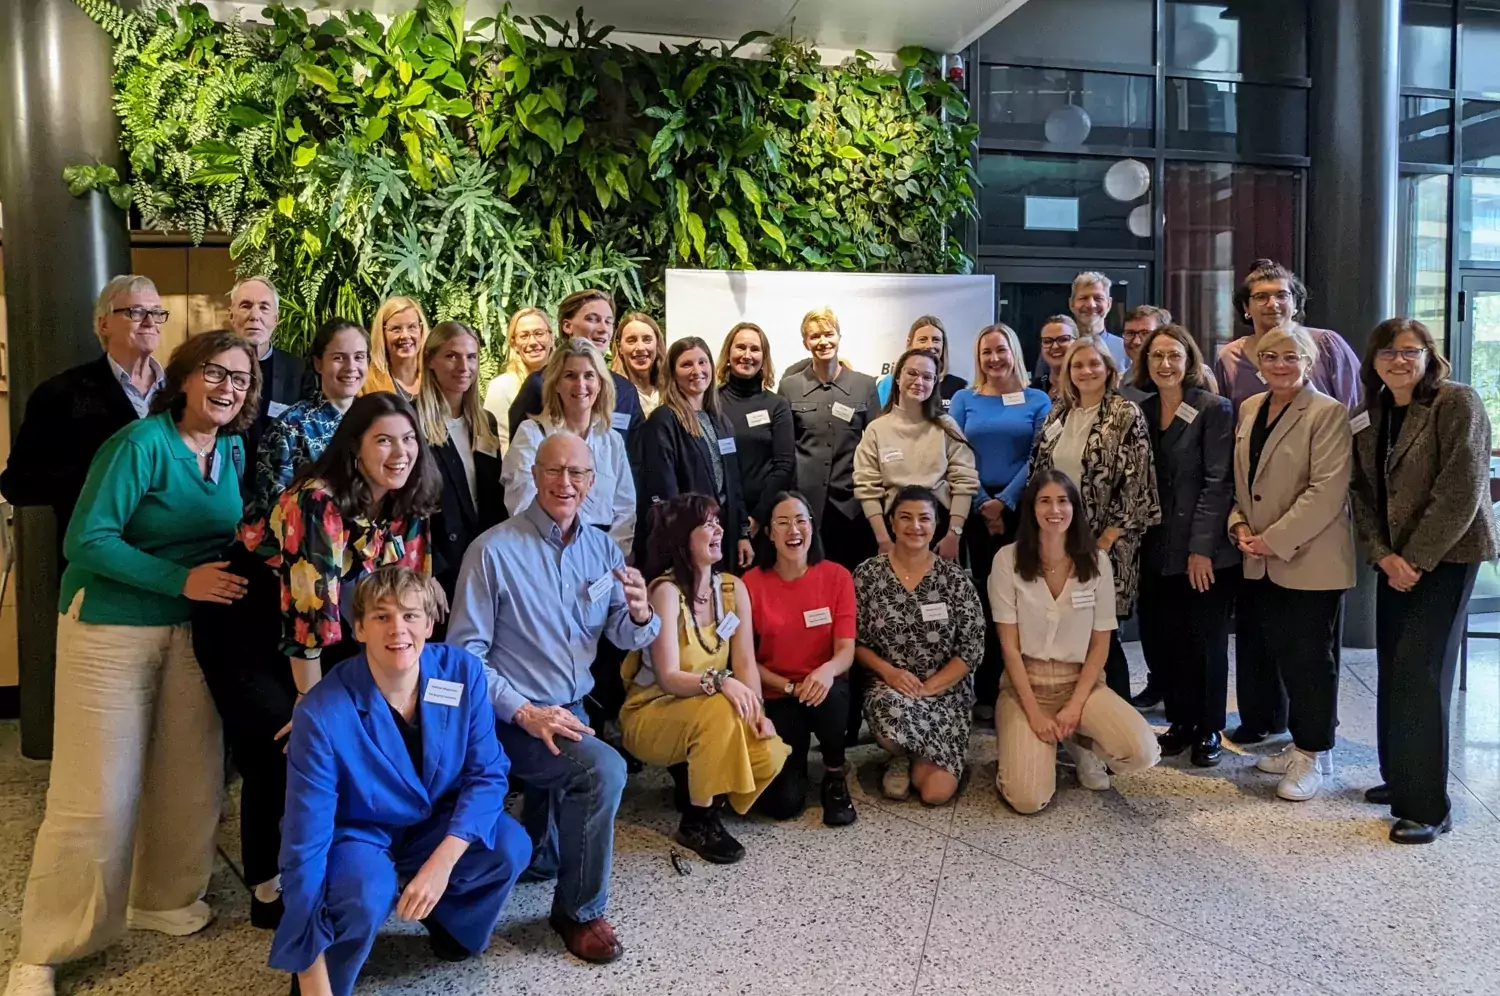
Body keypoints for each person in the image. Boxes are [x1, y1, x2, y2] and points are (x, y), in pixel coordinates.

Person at [4, 332, 260, 996]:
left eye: (241, 377)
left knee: (190, 777)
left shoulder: (229, 449)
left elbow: (216, 530)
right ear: (184, 377)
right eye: (216, 373)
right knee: (97, 794)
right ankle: (44, 948)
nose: (229, 387)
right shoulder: (139, 444)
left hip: (192, 634)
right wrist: (182, 581)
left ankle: (164, 899)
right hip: (108, 628)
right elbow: (86, 540)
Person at [448, 432, 659, 964]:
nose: (566, 483)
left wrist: (639, 614)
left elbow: (623, 636)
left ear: (592, 482)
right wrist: (522, 710)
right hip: (509, 718)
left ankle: (541, 854)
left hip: (572, 709)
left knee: (556, 825)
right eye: (555, 471)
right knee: (602, 771)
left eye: (578, 474)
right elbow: (464, 657)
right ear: (535, 475)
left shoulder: (602, 549)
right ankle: (578, 912)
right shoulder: (492, 550)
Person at [270, 566, 531, 996]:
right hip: (357, 833)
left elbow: (487, 774)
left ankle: (447, 919)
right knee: (364, 892)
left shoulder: (462, 673)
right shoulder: (320, 713)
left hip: (432, 823)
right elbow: (305, 845)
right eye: (381, 617)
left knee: (508, 845)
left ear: (430, 624)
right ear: (358, 628)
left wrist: (441, 863)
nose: (399, 629)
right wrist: (309, 973)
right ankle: (325, 965)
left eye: (411, 616)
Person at [1349, 318, 1497, 843]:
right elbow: (1360, 494)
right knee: (1394, 665)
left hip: (1448, 557)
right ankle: (1401, 778)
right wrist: (1385, 556)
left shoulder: (1457, 403)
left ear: (1430, 356)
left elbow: (1462, 488)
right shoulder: (1369, 414)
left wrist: (1415, 559)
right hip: (1393, 561)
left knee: (1422, 671)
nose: (1398, 360)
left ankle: (1429, 807)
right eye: (1387, 352)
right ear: (1373, 361)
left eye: (1410, 351)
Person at [619, 494, 790, 863]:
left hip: (706, 712)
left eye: (718, 522)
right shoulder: (664, 592)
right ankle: (698, 820)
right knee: (720, 708)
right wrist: (720, 682)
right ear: (683, 537)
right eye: (708, 523)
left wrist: (759, 714)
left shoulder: (731, 588)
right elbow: (667, 678)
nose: (719, 529)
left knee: (771, 755)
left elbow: (745, 662)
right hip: (652, 711)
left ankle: (699, 779)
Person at [1229, 325, 1354, 801]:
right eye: (1271, 357)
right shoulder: (1250, 408)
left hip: (1308, 558)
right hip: (1257, 554)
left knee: (1308, 661)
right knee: (1279, 654)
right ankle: (1297, 742)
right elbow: (1244, 482)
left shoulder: (1327, 413)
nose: (1280, 365)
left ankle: (1314, 752)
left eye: (1290, 357)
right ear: (1258, 363)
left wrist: (1272, 539)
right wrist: (1239, 526)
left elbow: (1326, 491)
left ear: (1308, 361)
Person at [989, 471, 1161, 813]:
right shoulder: (1007, 560)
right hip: (1026, 687)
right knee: (1027, 799)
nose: (1055, 509)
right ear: (1031, 509)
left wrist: (1074, 706)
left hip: (1079, 683)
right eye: (1045, 501)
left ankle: (1079, 739)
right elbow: (1008, 646)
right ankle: (1039, 745)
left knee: (1142, 752)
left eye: (1063, 500)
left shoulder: (1096, 562)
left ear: (1075, 507)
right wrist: (1035, 713)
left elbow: (1100, 644)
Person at [263, 393, 442, 677]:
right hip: (261, 614)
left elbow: (405, 590)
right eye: (384, 440)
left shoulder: (408, 490)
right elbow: (309, 614)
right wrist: (307, 699)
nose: (401, 453)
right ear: (355, 447)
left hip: (333, 619)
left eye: (409, 439)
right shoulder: (316, 500)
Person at [1028, 336, 1159, 698]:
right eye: (1077, 365)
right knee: (1069, 629)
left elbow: (1138, 482)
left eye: (1093, 364)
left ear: (1108, 369)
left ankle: (1115, 716)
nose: (1086, 371)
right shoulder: (1058, 412)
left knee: (1102, 633)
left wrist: (1103, 542)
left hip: (1106, 544)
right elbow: (1038, 469)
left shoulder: (1125, 414)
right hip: (1057, 538)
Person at [1132, 325, 1239, 763]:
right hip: (1155, 548)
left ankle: (1209, 728)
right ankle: (1180, 720)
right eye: (1156, 356)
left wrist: (1201, 549)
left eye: (1174, 355)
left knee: (1206, 641)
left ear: (1189, 360)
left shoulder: (1213, 408)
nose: (1165, 364)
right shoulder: (1142, 409)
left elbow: (1219, 482)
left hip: (1202, 550)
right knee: (1166, 639)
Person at [2, 274, 167, 556]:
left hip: (174, 559)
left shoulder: (182, 394)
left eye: (157, 312)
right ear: (104, 323)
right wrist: (103, 480)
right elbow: (17, 484)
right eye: (136, 312)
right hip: (100, 559)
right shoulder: (60, 394)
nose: (150, 321)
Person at [855, 486, 986, 805]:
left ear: (936, 524)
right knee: (892, 711)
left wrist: (930, 689)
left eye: (924, 518)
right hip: (892, 690)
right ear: (891, 523)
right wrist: (889, 674)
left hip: (946, 690)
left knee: (936, 793)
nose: (915, 526)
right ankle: (900, 753)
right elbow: (854, 642)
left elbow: (971, 649)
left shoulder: (954, 580)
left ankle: (913, 756)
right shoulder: (867, 575)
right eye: (906, 518)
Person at [949, 323, 1051, 710]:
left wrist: (1005, 501)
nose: (994, 358)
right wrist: (981, 502)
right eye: (986, 352)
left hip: (1023, 511)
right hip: (974, 511)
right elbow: (956, 452)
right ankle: (987, 691)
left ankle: (1024, 685)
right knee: (984, 602)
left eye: (1000, 350)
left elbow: (1038, 456)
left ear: (1014, 353)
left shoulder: (1037, 398)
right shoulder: (964, 398)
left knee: (1022, 599)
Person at [744, 492, 858, 826]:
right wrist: (789, 686)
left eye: (800, 520)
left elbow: (846, 651)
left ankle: (835, 773)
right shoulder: (751, 584)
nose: (793, 530)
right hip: (779, 693)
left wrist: (824, 671)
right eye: (782, 523)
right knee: (783, 805)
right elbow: (746, 659)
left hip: (824, 689)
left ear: (812, 526)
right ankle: (794, 767)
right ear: (769, 533)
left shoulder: (837, 577)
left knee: (834, 694)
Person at [504, 338, 635, 556]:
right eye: (570, 376)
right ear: (556, 383)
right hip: (545, 552)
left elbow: (625, 510)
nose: (580, 384)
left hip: (602, 555)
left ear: (600, 383)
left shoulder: (612, 441)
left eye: (589, 376)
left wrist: (612, 557)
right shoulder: (532, 434)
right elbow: (521, 503)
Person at [777, 307, 882, 571]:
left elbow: (876, 446)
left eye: (828, 334)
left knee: (852, 580)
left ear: (839, 336)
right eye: (814, 337)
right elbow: (785, 450)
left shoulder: (865, 385)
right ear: (805, 343)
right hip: (805, 508)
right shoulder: (789, 387)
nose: (823, 341)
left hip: (853, 506)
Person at [635, 337, 752, 571]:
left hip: (722, 537)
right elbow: (664, 492)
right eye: (686, 364)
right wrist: (683, 540)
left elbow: (733, 485)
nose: (697, 371)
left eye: (702, 362)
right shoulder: (663, 421)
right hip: (686, 543)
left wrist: (742, 533)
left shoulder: (721, 421)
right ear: (673, 373)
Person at [854, 349, 979, 561]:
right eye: (912, 373)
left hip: (940, 529)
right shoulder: (876, 430)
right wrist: (883, 539)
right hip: (891, 530)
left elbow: (964, 481)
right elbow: (867, 488)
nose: (919, 381)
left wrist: (954, 535)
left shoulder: (946, 426)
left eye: (927, 377)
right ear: (897, 377)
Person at [245, 318, 369, 524]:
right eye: (339, 357)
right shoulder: (290, 427)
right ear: (318, 363)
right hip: (307, 548)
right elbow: (272, 511)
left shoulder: (375, 421)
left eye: (359, 357)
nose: (351, 367)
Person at [415, 321, 505, 603]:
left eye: (471, 357)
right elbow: (406, 506)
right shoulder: (411, 421)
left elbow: (493, 498)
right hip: (439, 567)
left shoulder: (484, 422)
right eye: (451, 356)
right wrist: (427, 569)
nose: (463, 366)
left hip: (483, 560)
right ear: (430, 360)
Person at [1214, 259, 1361, 417]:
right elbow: (1224, 421)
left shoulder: (1326, 344)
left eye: (1282, 295)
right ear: (1246, 307)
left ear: (1296, 303)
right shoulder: (1230, 358)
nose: (1272, 304)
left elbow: (1356, 408)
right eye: (1261, 297)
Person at [507, 290, 643, 444]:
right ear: (567, 326)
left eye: (609, 322)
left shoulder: (625, 390)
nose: (603, 328)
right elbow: (521, 452)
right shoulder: (539, 384)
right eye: (592, 319)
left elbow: (637, 456)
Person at [716, 322, 795, 537]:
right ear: (728, 352)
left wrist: (758, 517)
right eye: (740, 347)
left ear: (764, 357)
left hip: (765, 518)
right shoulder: (711, 402)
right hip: (718, 517)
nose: (747, 355)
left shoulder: (777, 405)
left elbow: (784, 466)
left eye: (755, 349)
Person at [228, 276, 307, 464]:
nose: (255, 315)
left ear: (276, 319)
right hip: (227, 480)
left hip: (281, 481)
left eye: (264, 307)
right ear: (231, 315)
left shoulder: (299, 371)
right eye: (246, 305)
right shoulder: (213, 370)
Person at [1031, 274, 1128, 382]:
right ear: (1071, 304)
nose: (1091, 304)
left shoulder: (1125, 348)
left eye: (1098, 298)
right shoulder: (1055, 348)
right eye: (1083, 298)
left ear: (1109, 303)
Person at [482, 307, 554, 452]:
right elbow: (496, 444)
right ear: (514, 344)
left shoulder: (570, 382)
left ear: (551, 338)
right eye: (524, 336)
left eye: (539, 334)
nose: (533, 342)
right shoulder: (501, 387)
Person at [875, 316, 969, 410]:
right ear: (909, 344)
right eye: (922, 340)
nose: (930, 345)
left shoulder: (960, 387)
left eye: (936, 340)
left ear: (943, 345)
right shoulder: (889, 383)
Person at [362, 296, 430, 399]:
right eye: (396, 329)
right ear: (382, 333)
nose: (405, 335)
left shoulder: (436, 376)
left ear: (421, 330)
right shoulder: (366, 382)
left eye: (412, 327)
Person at [612, 311, 665, 417]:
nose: (640, 347)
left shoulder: (672, 389)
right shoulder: (610, 391)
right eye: (631, 340)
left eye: (647, 340)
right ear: (619, 347)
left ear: (657, 344)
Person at [1031, 314, 1078, 398]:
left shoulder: (1086, 387)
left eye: (1063, 339)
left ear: (1077, 343)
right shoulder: (1033, 388)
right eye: (1047, 341)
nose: (1055, 346)